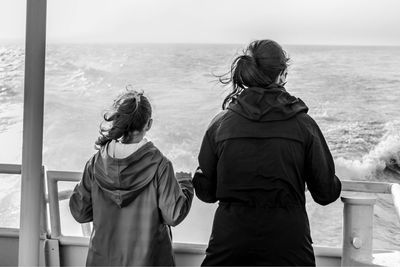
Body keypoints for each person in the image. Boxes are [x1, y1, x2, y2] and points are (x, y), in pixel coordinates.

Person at [193, 40, 341, 266]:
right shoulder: (304, 125)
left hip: (229, 248)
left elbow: (206, 192)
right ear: (281, 75)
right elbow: (326, 193)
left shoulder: (220, 124)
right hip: (289, 250)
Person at [69, 90, 193, 266]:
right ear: (148, 124)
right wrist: (185, 184)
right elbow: (173, 215)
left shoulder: (96, 163)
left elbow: (80, 212)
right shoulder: (160, 165)